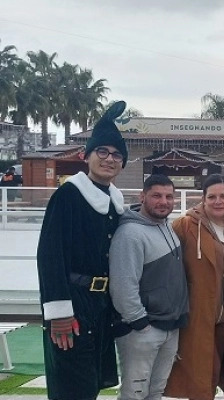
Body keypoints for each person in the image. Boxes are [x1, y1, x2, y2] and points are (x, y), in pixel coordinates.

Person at [36, 101, 129, 400]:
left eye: (116, 155)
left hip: (101, 306)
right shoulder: (69, 196)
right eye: (101, 151)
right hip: (72, 304)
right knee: (72, 385)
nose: (109, 159)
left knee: (90, 383)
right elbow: (49, 256)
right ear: (85, 156)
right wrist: (59, 313)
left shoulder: (114, 202)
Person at [165, 174, 224, 400]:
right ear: (203, 199)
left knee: (217, 372)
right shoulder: (185, 225)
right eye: (212, 197)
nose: (218, 201)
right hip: (198, 315)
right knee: (202, 376)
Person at [109, 174, 189, 400]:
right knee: (134, 393)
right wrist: (140, 323)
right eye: (156, 195)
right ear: (142, 196)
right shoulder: (130, 234)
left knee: (155, 392)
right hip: (142, 329)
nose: (163, 201)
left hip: (169, 326)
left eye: (168, 196)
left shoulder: (167, 228)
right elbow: (123, 284)